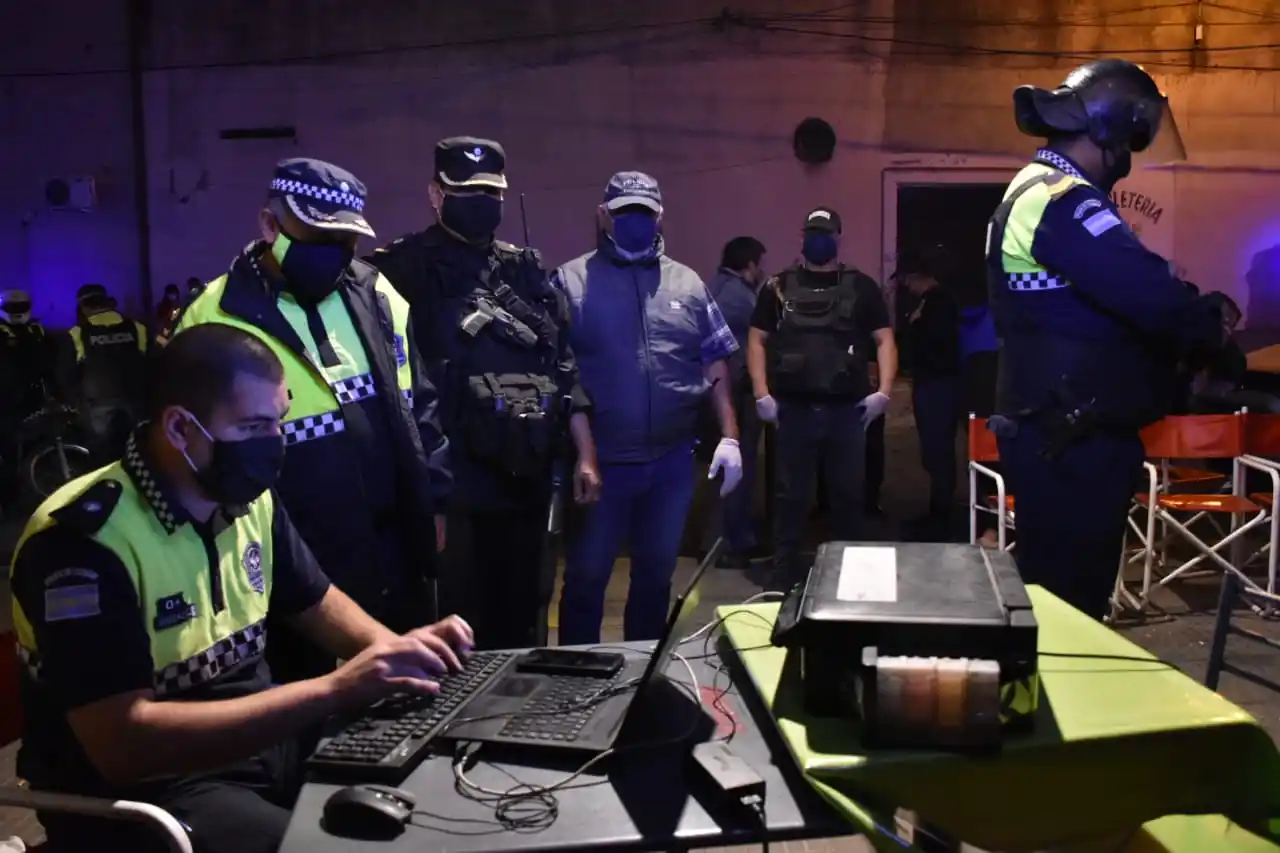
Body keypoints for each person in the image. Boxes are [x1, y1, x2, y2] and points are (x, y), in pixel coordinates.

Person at [10, 324, 474, 853]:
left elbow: (315, 601)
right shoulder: (81, 545)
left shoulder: (243, 496)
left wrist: (396, 651)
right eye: (253, 426)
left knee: (439, 794)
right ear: (182, 428)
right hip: (147, 794)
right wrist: (336, 689)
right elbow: (123, 746)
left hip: (257, 748)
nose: (274, 444)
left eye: (278, 421)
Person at [173, 157, 453, 684]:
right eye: (315, 236)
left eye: (343, 241)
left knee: (403, 686)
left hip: (389, 543)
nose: (332, 254)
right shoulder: (214, 315)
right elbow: (189, 452)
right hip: (288, 553)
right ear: (269, 225)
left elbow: (421, 406)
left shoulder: (378, 296)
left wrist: (433, 500)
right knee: (305, 696)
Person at [987, 58, 1223, 619]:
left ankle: (1039, 702)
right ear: (1113, 126)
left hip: (1062, 431)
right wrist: (1209, 325)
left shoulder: (1041, 190)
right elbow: (1153, 298)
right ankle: (1051, 706)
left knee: (1055, 602)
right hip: (1072, 441)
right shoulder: (1064, 199)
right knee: (1070, 612)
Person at [368, 137, 598, 650]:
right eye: (465, 190)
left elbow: (562, 365)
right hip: (457, 483)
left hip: (528, 474)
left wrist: (585, 453)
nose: (481, 201)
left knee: (524, 616)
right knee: (456, 622)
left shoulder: (525, 270)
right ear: (435, 193)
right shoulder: (399, 272)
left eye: (491, 192)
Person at [551, 171, 742, 644]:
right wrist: (584, 455)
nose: (634, 222)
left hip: (671, 463)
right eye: (623, 213)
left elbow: (714, 359)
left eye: (643, 213)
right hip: (605, 463)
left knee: (656, 578)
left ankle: (641, 675)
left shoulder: (688, 283)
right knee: (586, 579)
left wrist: (731, 436)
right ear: (603, 216)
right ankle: (578, 678)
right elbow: (561, 373)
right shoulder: (570, 281)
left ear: (659, 217)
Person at [748, 207, 897, 586]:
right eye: (813, 232)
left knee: (848, 497)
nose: (819, 239)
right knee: (789, 498)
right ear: (801, 237)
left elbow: (885, 339)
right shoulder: (778, 286)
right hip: (792, 410)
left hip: (846, 411)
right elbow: (756, 339)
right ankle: (783, 575)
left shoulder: (861, 287)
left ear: (838, 237)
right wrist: (761, 391)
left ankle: (850, 580)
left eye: (826, 232)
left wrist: (883, 391)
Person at [703, 236, 767, 566]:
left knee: (724, 470)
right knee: (738, 469)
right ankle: (730, 542)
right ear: (750, 264)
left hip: (718, 392)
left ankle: (723, 539)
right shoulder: (739, 296)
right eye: (760, 264)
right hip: (734, 394)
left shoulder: (715, 287)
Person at [899, 255, 962, 536]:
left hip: (938, 383)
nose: (905, 286)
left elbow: (934, 343)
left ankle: (942, 515)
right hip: (933, 382)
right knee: (934, 448)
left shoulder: (939, 303)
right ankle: (938, 509)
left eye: (907, 280)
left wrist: (914, 326)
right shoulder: (933, 302)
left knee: (938, 448)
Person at [63, 284, 148, 463]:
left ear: (83, 306)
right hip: (135, 402)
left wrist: (74, 402)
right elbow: (153, 362)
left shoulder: (77, 333)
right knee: (137, 453)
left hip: (97, 406)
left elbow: (67, 374)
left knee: (102, 457)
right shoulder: (137, 327)